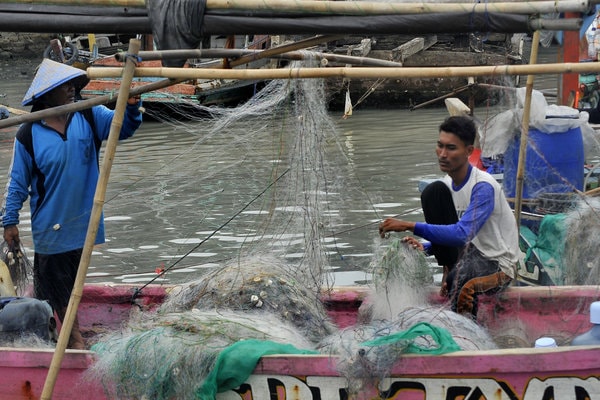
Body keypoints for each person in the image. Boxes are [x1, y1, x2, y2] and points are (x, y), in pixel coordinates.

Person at [1, 59, 143, 349]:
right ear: (46, 94)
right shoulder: (28, 134)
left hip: (84, 226)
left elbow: (123, 128)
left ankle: (72, 343)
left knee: (70, 290)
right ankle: (75, 345)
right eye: (63, 86)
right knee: (57, 295)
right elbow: (18, 182)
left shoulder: (88, 115)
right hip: (50, 230)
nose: (70, 90)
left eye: (72, 86)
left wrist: (130, 106)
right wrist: (10, 221)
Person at [378, 115, 521, 319]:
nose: (443, 154)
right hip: (471, 252)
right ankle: (448, 267)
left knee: (461, 281)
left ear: (469, 151)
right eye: (440, 146)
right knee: (432, 192)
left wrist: (409, 225)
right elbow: (454, 229)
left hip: (498, 263)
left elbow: (461, 234)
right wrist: (427, 247)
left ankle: (467, 335)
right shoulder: (447, 183)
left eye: (451, 148)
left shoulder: (483, 187)